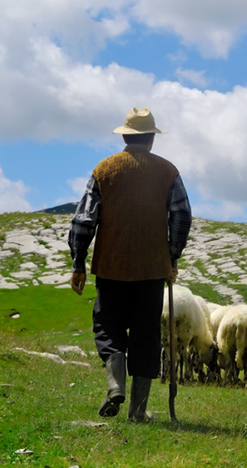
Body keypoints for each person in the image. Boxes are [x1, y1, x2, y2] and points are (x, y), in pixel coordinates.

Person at [68, 108, 192, 421]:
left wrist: (78, 263)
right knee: (146, 334)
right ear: (151, 139)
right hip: (152, 269)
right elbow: (181, 215)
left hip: (111, 266)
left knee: (108, 328)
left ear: (125, 136)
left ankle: (115, 386)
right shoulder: (168, 171)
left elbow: (84, 219)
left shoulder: (104, 169)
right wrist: (171, 256)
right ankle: (138, 410)